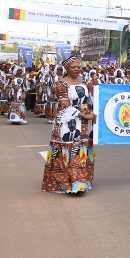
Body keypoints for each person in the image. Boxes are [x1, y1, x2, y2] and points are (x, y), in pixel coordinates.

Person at [41, 55, 96, 195]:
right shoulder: (60, 84)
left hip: (84, 123)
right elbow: (64, 105)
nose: (77, 69)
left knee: (82, 150)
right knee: (71, 151)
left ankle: (82, 180)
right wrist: (84, 115)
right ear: (67, 68)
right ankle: (72, 183)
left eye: (79, 67)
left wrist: (91, 90)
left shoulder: (83, 82)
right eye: (73, 67)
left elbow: (88, 101)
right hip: (68, 121)